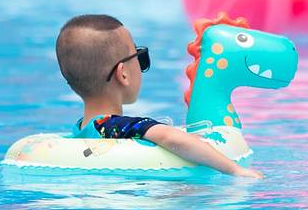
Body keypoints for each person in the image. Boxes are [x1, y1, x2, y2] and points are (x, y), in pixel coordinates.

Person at [55, 14, 263, 178]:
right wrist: (236, 170)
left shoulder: (83, 129)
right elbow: (170, 138)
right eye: (139, 56)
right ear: (123, 74)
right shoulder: (122, 126)